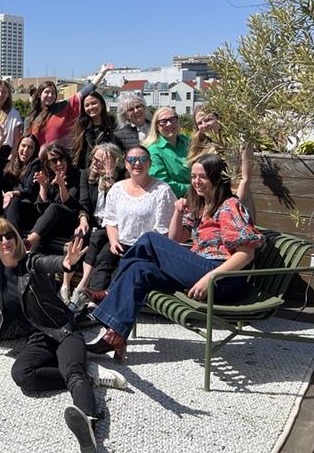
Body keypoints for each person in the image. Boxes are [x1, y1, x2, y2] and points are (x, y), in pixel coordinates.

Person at [87, 154, 264, 361]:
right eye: (193, 176)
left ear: (217, 179)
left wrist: (209, 278)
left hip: (221, 279)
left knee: (150, 239)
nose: (196, 181)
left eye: (203, 177)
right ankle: (114, 336)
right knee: (139, 270)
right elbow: (175, 238)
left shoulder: (229, 206)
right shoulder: (202, 205)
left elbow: (246, 253)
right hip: (202, 271)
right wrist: (178, 213)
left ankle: (111, 291)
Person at [0, 219, 127, 453]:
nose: (5, 241)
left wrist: (66, 263)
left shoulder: (29, 262)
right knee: (22, 375)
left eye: (9, 235)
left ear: (16, 238)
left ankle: (88, 423)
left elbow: (48, 263)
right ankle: (89, 374)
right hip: (38, 337)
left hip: (63, 329)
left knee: (73, 374)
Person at [72, 146, 176, 310]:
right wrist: (113, 242)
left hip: (147, 247)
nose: (137, 163)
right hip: (121, 240)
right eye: (132, 160)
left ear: (150, 163)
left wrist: (140, 247)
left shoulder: (162, 191)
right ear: (126, 164)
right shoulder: (118, 188)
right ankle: (92, 305)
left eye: (142, 159)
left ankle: (108, 304)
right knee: (104, 259)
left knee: (125, 265)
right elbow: (111, 221)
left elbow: (163, 229)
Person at [63, 143, 125, 307]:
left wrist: (109, 175)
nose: (95, 163)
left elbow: (118, 204)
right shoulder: (86, 175)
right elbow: (84, 201)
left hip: (112, 225)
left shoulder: (122, 178)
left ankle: (83, 285)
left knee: (97, 239)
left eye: (101, 161)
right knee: (79, 235)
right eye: (95, 159)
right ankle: (65, 285)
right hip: (92, 221)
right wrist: (83, 218)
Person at [26, 64, 112, 150]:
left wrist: (102, 73)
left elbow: (86, 90)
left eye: (53, 93)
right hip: (37, 161)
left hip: (59, 159)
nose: (50, 95)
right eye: (47, 92)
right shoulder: (31, 118)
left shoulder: (63, 107)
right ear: (39, 94)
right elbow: (25, 142)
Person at [23, 144, 82, 256]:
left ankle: (29, 242)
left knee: (54, 208)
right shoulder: (49, 177)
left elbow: (69, 204)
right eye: (54, 161)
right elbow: (42, 209)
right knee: (44, 232)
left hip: (72, 221)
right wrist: (43, 187)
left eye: (61, 158)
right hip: (53, 224)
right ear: (48, 164)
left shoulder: (77, 175)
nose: (59, 163)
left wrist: (61, 186)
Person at [187, 105, 253, 202]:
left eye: (208, 120)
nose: (204, 125)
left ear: (219, 118)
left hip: (235, 199)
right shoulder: (199, 145)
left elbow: (245, 179)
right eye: (200, 123)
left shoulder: (240, 141)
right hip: (207, 202)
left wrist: (234, 206)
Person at [144, 107, 191, 199]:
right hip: (175, 202)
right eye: (163, 121)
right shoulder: (154, 150)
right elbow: (161, 183)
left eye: (172, 119)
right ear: (156, 126)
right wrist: (194, 188)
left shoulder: (189, 142)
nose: (169, 124)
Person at [70, 91, 123, 169]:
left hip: (111, 171)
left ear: (101, 104)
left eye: (94, 103)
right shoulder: (81, 126)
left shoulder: (114, 123)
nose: (91, 107)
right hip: (88, 172)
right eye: (87, 105)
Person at [1, 135, 42, 235]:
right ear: (18, 147)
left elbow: (29, 190)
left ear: (35, 150)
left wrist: (12, 193)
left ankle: (14, 238)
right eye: (23, 146)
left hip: (27, 207)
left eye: (30, 147)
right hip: (9, 205)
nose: (26, 150)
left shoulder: (35, 164)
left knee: (14, 200)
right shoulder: (11, 163)